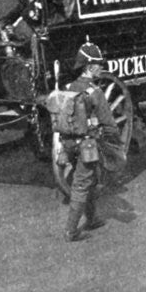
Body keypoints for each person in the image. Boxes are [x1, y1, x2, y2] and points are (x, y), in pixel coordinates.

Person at [56, 41, 119, 242]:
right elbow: (109, 124)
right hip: (87, 145)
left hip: (68, 143)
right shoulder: (94, 92)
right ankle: (71, 231)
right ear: (89, 67)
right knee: (82, 183)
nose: (101, 68)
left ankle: (92, 219)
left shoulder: (68, 88)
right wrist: (114, 142)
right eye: (99, 64)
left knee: (88, 179)